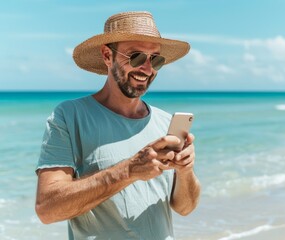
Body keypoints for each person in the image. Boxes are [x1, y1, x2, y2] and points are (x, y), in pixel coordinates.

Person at [35, 11, 201, 240]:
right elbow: (47, 209)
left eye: (155, 59)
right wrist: (129, 170)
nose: (147, 68)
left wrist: (186, 171)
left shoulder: (165, 122)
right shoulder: (69, 116)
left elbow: (185, 208)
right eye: (136, 56)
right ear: (107, 55)